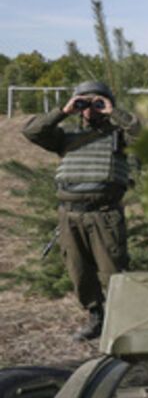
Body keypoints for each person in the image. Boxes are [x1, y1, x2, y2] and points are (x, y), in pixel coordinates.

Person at [22, 81, 140, 340]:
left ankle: (124, 323)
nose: (90, 110)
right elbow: (32, 131)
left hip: (104, 214)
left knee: (114, 273)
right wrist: (63, 111)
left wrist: (113, 113)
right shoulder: (65, 138)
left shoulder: (119, 137)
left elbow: (140, 134)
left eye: (97, 103)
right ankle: (96, 318)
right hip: (69, 215)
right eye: (84, 103)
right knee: (79, 273)